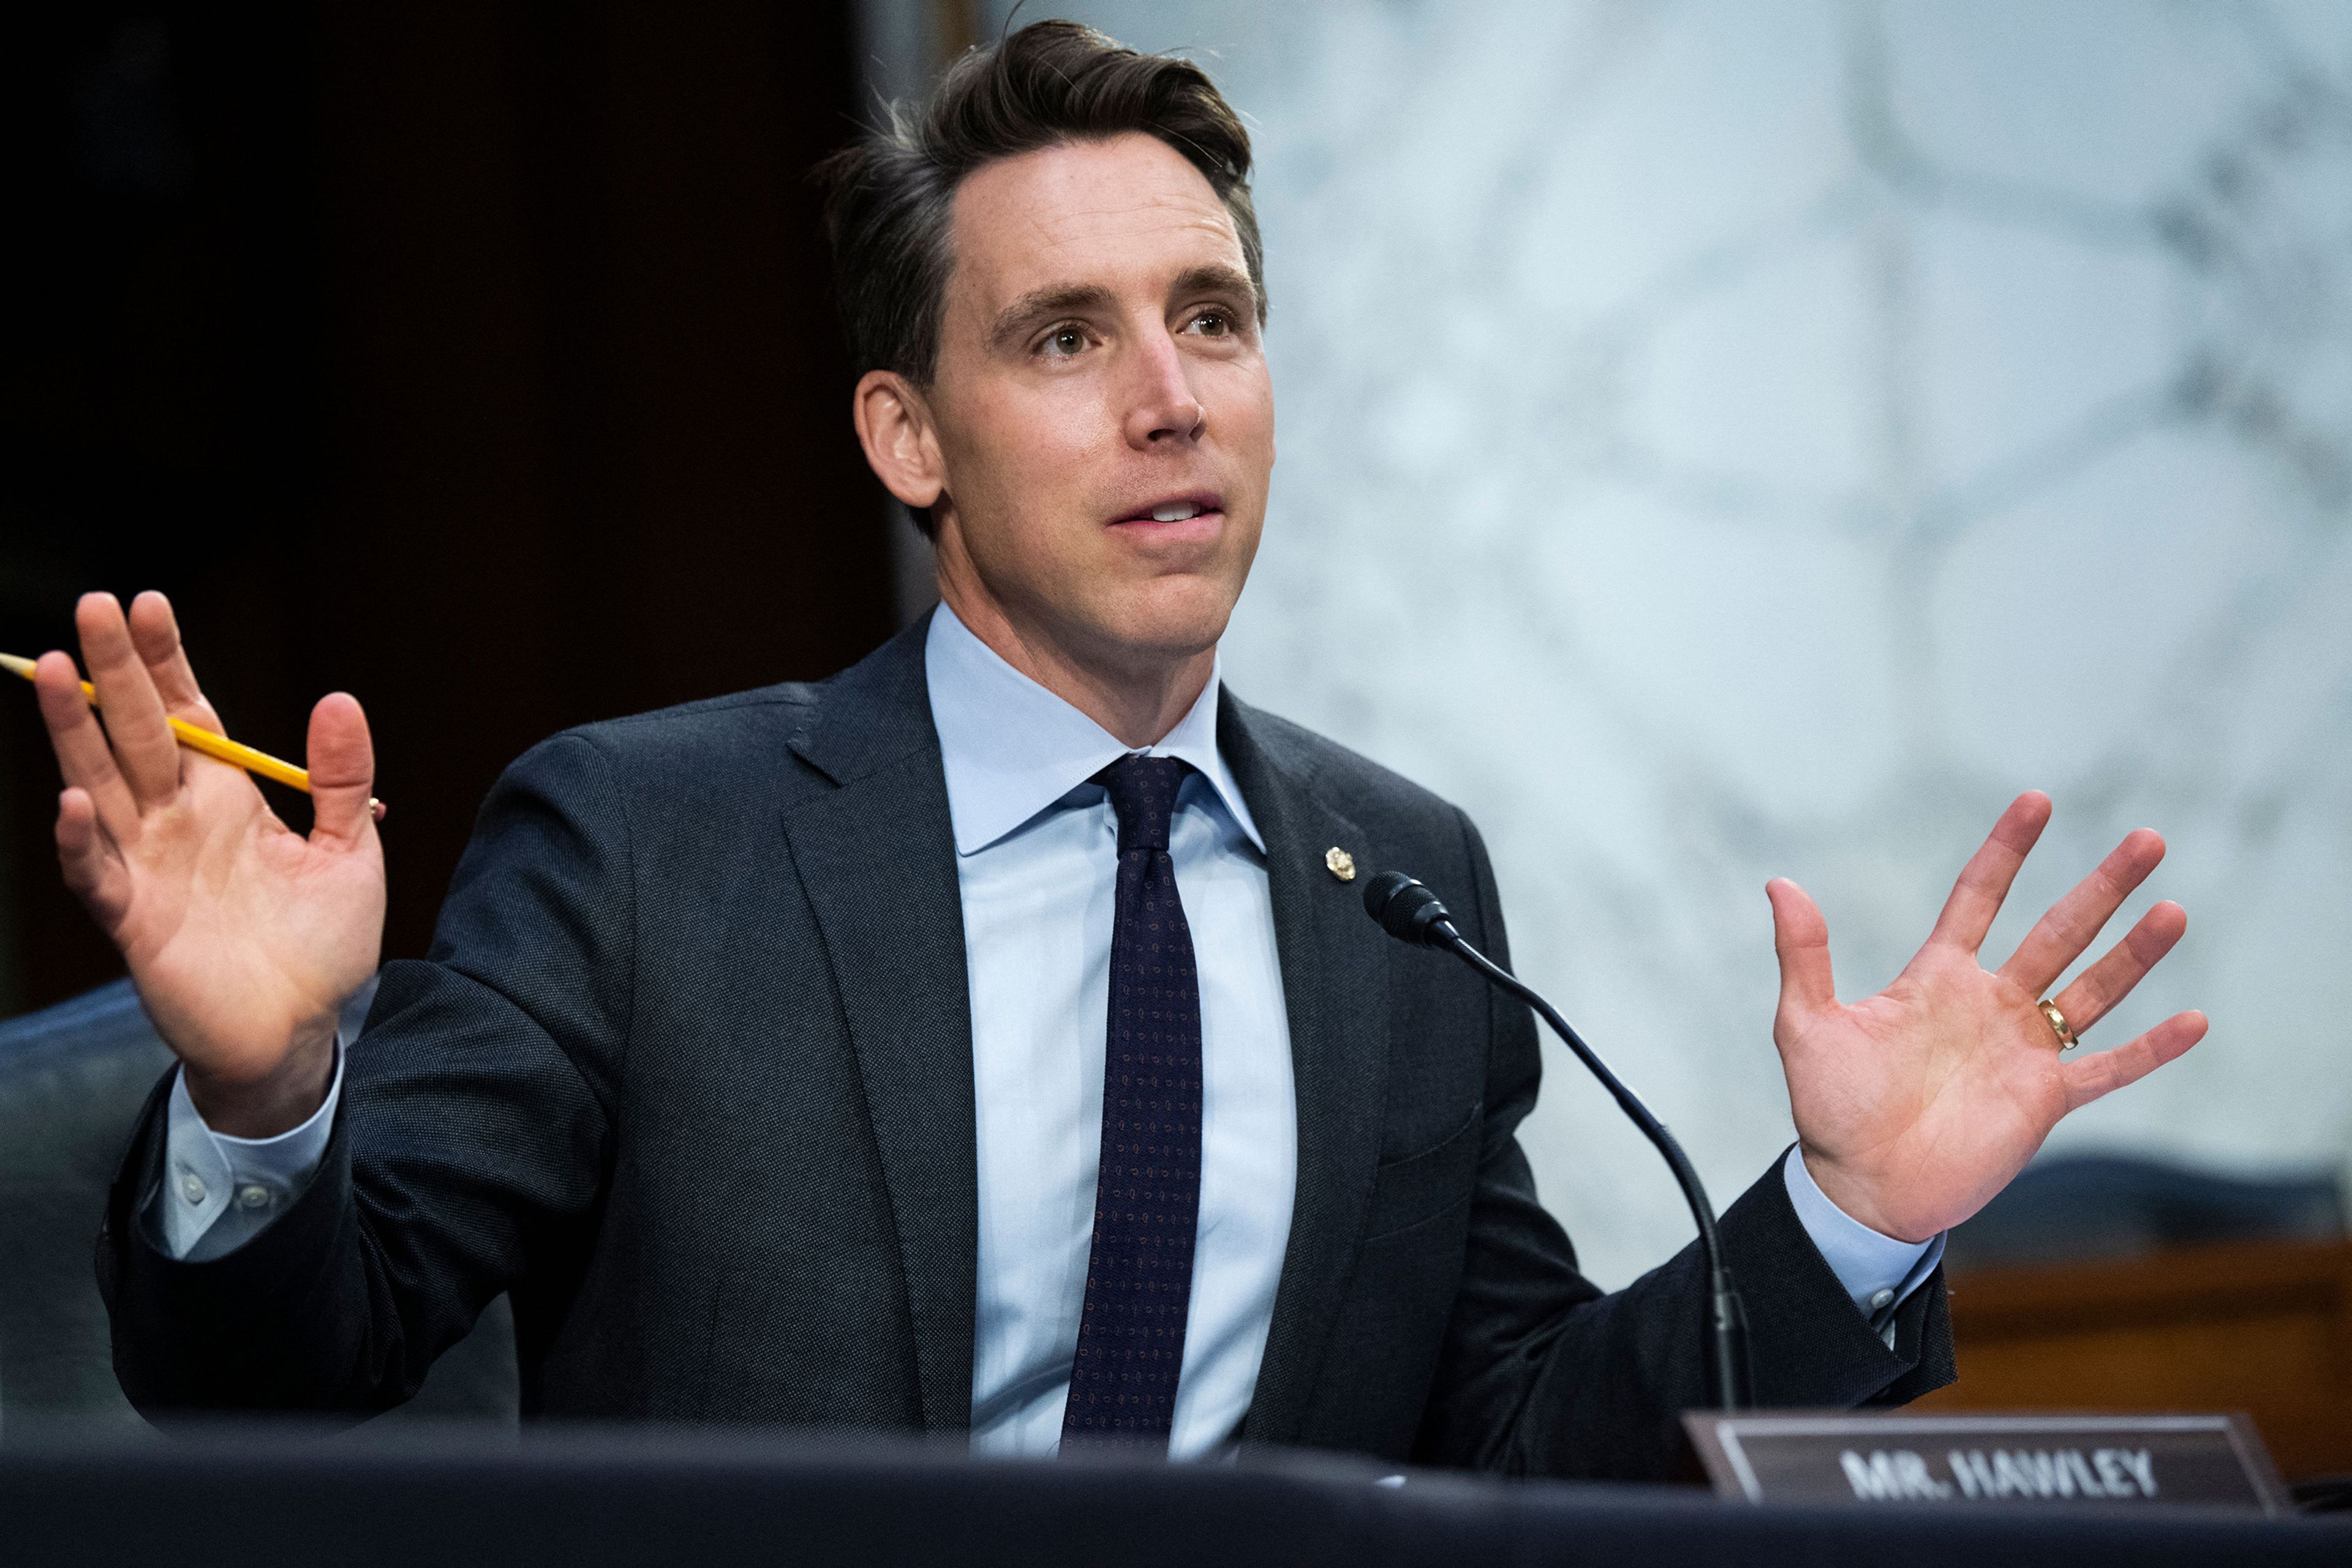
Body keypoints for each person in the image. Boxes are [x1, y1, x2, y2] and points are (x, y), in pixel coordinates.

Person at [33, 22, 2202, 1477]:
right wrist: (262, 1093)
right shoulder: (648, 842)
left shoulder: (1393, 877)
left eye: (1215, 320)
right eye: (1068, 339)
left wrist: (1844, 1223)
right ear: (911, 437)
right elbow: (283, 1371)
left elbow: (1528, 1444)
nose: (1171, 398)